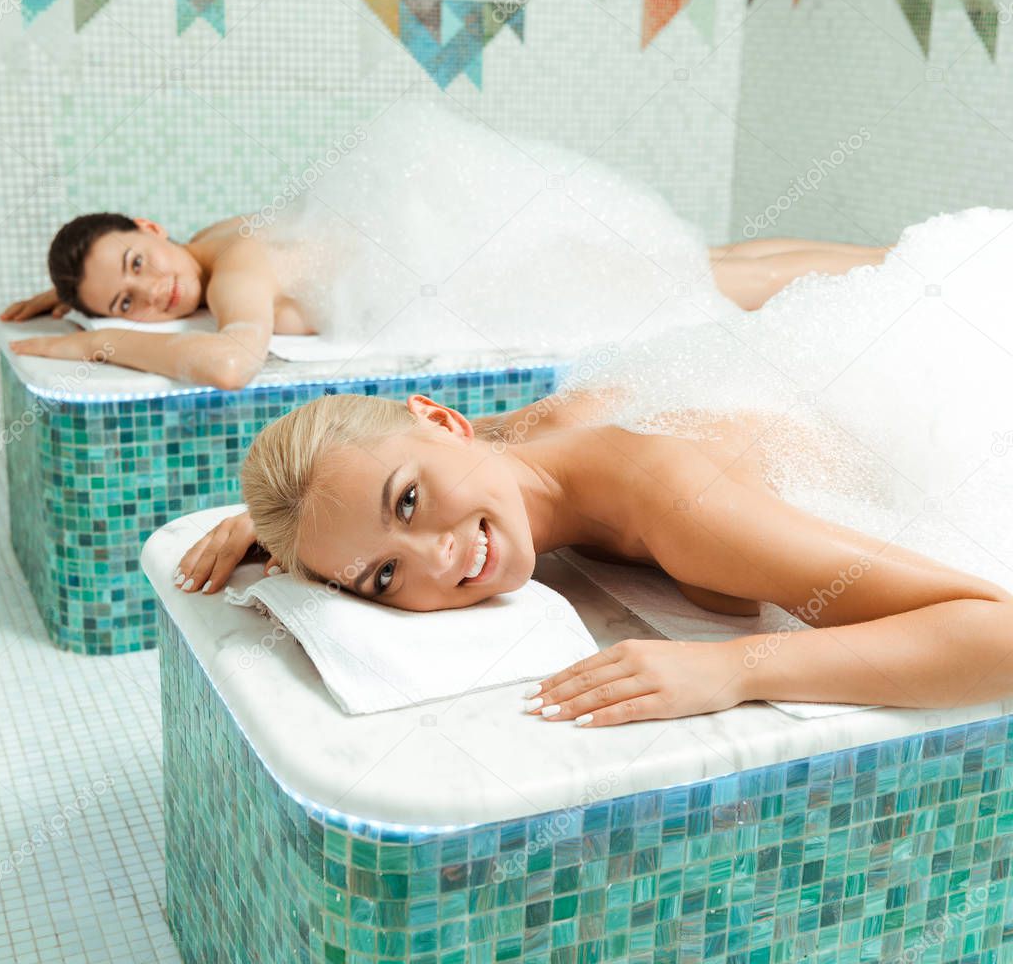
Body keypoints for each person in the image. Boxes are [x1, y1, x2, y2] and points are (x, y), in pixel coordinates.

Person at [173, 204, 1013, 728]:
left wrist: (733, 671)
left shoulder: (675, 500)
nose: (440, 558)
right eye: (384, 578)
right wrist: (296, 524)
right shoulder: (501, 446)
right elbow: (375, 496)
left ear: (440, 420)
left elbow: (996, 630)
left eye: (407, 503)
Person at [0, 102, 887, 388]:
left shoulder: (233, 268)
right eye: (124, 300)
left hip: (506, 272)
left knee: (714, 282)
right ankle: (897, 259)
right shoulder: (210, 237)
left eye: (137, 266)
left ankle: (907, 270)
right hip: (484, 245)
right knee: (714, 262)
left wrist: (94, 340)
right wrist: (74, 292)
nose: (150, 297)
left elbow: (233, 362)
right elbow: (167, 288)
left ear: (149, 229)